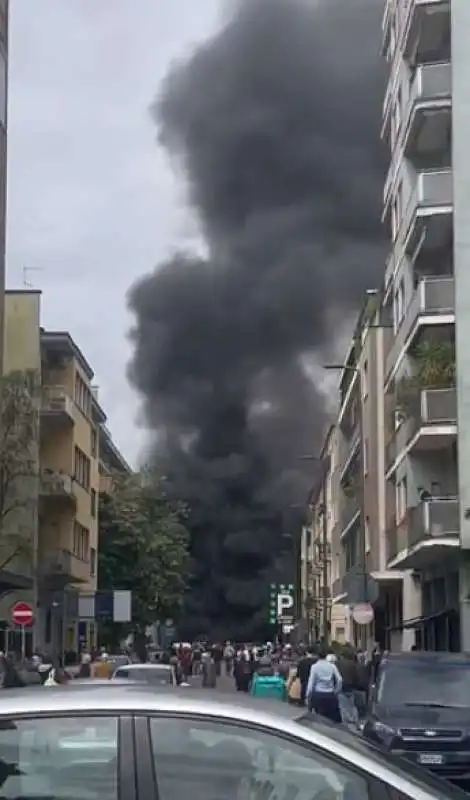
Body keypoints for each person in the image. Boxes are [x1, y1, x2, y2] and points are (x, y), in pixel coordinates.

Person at [306, 648, 342, 722]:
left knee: (319, 716)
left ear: (317, 656)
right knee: (330, 716)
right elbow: (339, 680)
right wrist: (336, 690)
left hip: (318, 694)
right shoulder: (332, 666)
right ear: (326, 656)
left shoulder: (314, 667)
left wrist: (308, 695)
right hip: (330, 694)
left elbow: (311, 682)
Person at [336, 649, 360, 726]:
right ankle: (356, 721)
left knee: (342, 706)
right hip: (350, 687)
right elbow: (356, 677)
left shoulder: (338, 664)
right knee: (352, 705)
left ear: (342, 656)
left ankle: (345, 723)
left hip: (341, 686)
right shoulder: (353, 664)